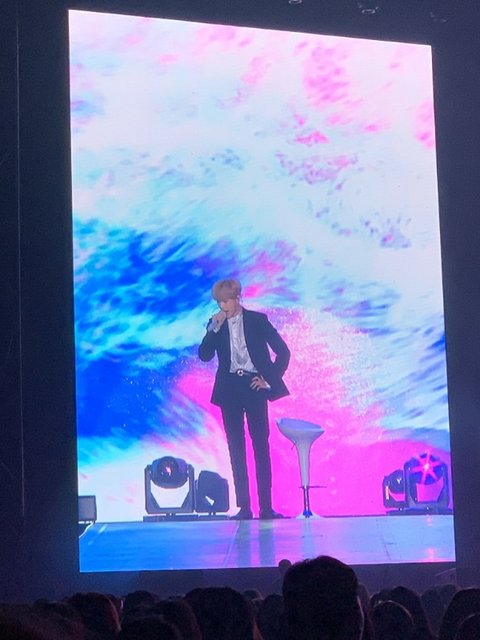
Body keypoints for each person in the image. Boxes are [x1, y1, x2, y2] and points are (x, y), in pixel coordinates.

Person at [198, 278, 290, 520]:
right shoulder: (216, 324)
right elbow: (204, 355)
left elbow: (283, 352)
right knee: (236, 448)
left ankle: (266, 508)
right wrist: (213, 329)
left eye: (225, 301)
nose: (222, 306)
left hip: (253, 386)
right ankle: (244, 507)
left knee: (260, 445)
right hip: (229, 389)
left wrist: (268, 379)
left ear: (237, 298)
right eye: (219, 302)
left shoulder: (258, 321)